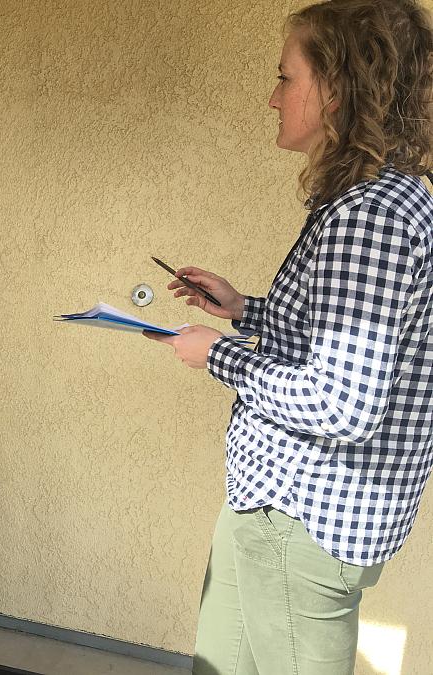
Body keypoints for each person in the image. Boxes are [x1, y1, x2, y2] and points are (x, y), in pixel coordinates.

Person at [146, 1, 433, 673]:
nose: (271, 97)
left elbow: (342, 403)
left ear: (334, 90)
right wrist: (243, 307)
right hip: (275, 504)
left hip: (302, 519)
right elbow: (335, 341)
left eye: (285, 77)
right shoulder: (384, 199)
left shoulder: (369, 218)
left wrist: (216, 354)